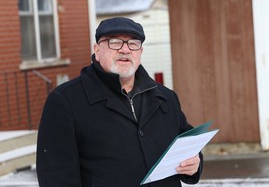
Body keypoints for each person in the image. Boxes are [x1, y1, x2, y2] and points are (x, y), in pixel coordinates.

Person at [36, 17, 203, 187]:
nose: (125, 50)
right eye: (115, 42)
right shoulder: (65, 101)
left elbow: (188, 146)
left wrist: (194, 163)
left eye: (133, 43)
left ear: (140, 52)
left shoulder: (166, 98)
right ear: (97, 50)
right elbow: (56, 177)